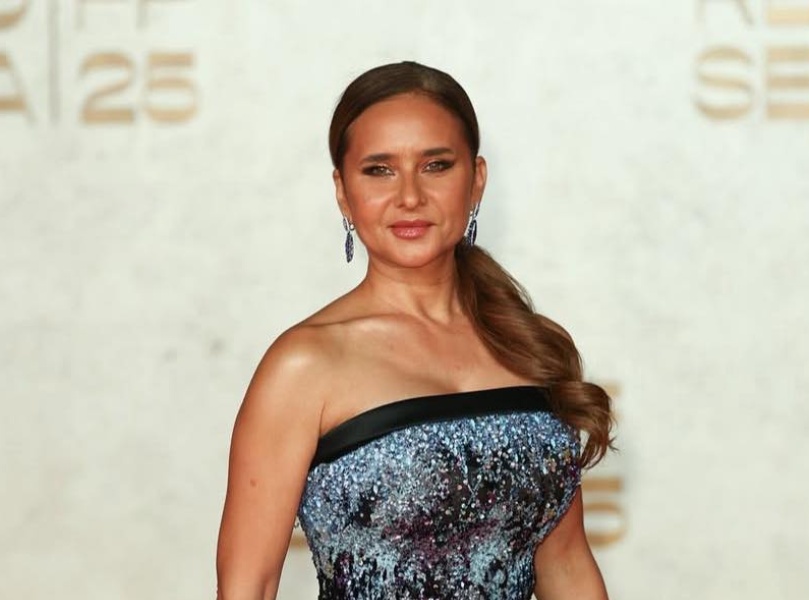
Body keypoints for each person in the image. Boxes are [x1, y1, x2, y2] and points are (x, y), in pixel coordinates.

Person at [215, 61, 615, 600]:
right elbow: (248, 586)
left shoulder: (529, 345)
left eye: (435, 165)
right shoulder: (304, 365)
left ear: (476, 180)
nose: (409, 196)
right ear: (342, 191)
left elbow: (566, 565)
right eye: (379, 170)